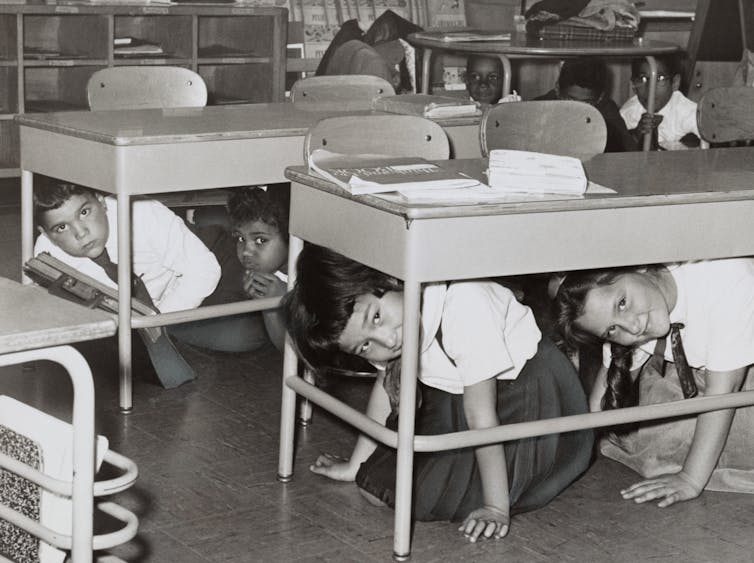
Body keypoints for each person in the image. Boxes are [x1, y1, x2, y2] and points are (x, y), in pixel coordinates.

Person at [282, 244, 593, 543]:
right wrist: (356, 464)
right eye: (364, 345)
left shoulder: (463, 301)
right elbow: (385, 391)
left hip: (526, 398)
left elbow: (481, 414)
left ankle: (496, 487)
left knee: (416, 494)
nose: (387, 341)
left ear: (389, 277)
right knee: (374, 484)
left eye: (376, 317)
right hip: (459, 398)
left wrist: (496, 507)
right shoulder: (390, 328)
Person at [551, 259, 754, 506]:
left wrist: (690, 479)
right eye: (611, 330)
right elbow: (600, 406)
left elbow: (724, 393)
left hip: (735, 385)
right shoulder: (638, 305)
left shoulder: (726, 278)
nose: (633, 327)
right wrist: (567, 458)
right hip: (704, 379)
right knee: (636, 433)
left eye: (622, 303)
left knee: (676, 440)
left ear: (640, 266)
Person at [33, 179, 221, 388]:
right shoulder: (46, 254)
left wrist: (157, 320)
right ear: (46, 234)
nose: (80, 233)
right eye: (61, 227)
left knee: (241, 335)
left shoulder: (142, 213)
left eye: (84, 212)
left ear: (102, 202)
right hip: (129, 317)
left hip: (188, 275)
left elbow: (204, 269)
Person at [171, 185, 290, 352]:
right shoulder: (223, 247)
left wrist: (271, 306)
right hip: (205, 264)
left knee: (245, 336)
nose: (247, 251)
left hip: (213, 305)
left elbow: (289, 351)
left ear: (291, 237)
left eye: (261, 241)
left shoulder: (306, 276)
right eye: (241, 238)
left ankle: (164, 324)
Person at [535, 57, 637, 152]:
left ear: (600, 98)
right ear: (557, 89)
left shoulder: (607, 111)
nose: (577, 110)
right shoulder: (539, 108)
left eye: (587, 103)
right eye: (570, 100)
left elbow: (627, 152)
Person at [620, 54, 701, 150]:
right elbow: (617, 149)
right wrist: (636, 134)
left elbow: (709, 145)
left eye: (660, 79)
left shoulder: (688, 111)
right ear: (633, 85)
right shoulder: (628, 112)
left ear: (675, 82)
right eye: (642, 79)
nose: (650, 88)